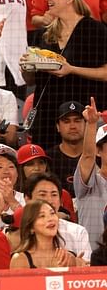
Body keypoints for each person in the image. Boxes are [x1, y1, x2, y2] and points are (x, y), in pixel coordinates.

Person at [24, 0, 107, 150]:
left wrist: (72, 70)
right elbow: (30, 81)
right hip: (48, 118)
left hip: (83, 116)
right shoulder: (43, 34)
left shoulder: (96, 31)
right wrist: (27, 67)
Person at [21, 172, 90, 260]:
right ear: (27, 199)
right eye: (42, 194)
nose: (49, 200)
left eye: (54, 195)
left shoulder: (77, 232)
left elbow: (88, 267)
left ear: (61, 201)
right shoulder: (16, 233)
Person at [10, 199, 83, 268]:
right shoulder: (20, 260)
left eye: (52, 213)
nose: (50, 219)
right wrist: (53, 271)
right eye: (42, 216)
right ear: (31, 228)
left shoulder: (67, 256)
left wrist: (81, 271)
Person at [75, 98, 107, 252]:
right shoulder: (91, 181)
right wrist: (92, 124)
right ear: (98, 151)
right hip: (92, 262)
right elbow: (88, 156)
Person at [16, 148, 77, 223]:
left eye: (41, 163)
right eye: (30, 164)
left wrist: (64, 216)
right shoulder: (11, 194)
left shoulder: (62, 193)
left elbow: (72, 223)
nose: (37, 168)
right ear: (20, 168)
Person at [46, 101, 85, 198]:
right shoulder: (47, 158)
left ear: (86, 124)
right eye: (66, 121)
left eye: (77, 120)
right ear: (58, 127)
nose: (72, 126)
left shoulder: (98, 155)